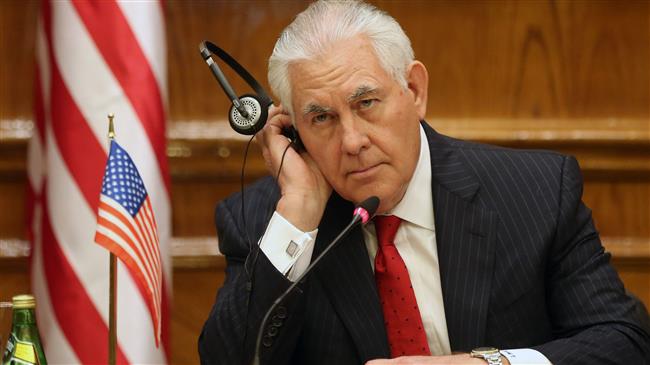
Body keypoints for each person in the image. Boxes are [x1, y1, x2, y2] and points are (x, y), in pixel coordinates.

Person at [198, 1, 650, 364]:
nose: (352, 141)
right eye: (321, 118)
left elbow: (624, 341)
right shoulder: (267, 222)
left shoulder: (535, 192)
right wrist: (298, 208)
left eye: (367, 102)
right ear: (293, 129)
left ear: (414, 91)